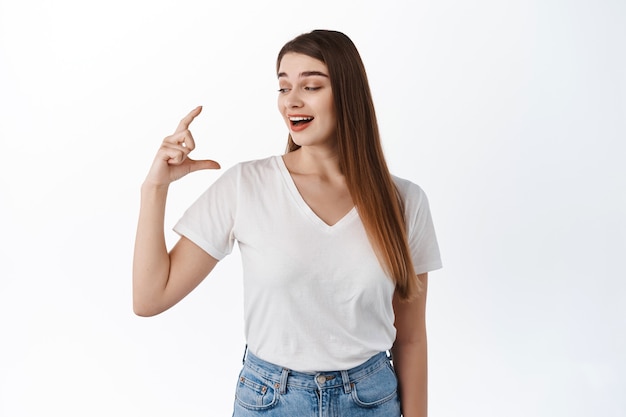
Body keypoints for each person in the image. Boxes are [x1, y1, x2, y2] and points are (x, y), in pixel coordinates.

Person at [133, 29, 442, 417]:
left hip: (371, 400)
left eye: (310, 86)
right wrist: (154, 188)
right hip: (270, 400)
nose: (291, 101)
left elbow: (411, 339)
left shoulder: (404, 202)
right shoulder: (246, 186)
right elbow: (149, 297)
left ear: (348, 94)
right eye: (283, 88)